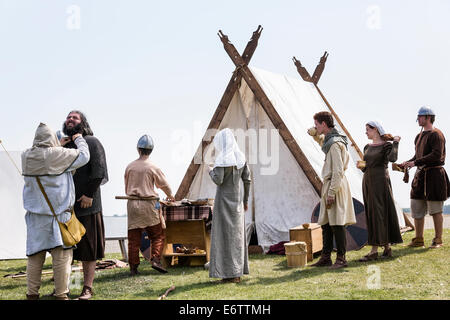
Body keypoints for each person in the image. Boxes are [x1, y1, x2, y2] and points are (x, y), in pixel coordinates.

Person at [22, 123, 90, 300]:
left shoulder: (26, 155)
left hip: (35, 217)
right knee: (62, 257)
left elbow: (47, 160)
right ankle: (61, 295)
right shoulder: (58, 155)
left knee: (35, 257)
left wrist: (57, 145)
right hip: (58, 216)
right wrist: (79, 139)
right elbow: (84, 156)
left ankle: (32, 295)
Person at [62, 110, 108, 300]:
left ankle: (87, 288)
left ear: (83, 123)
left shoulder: (91, 142)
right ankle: (67, 287)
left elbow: (99, 170)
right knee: (67, 250)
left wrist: (89, 194)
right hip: (67, 206)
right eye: (68, 117)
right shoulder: (65, 145)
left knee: (88, 250)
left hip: (88, 204)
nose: (70, 119)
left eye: (75, 117)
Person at [308, 111, 356, 269]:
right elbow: (322, 141)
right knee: (327, 223)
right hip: (331, 184)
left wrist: (331, 193)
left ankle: (341, 259)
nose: (315, 127)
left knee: (337, 223)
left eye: (317, 124)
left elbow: (338, 171)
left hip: (335, 185)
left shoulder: (335, 144)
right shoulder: (331, 140)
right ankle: (326, 257)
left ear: (324, 124)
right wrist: (315, 134)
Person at [124, 134, 175, 275]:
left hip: (133, 204)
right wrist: (171, 196)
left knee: (134, 239)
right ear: (151, 150)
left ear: (138, 149)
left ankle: (133, 268)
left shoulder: (130, 167)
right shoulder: (153, 167)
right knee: (157, 235)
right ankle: (155, 260)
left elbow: (126, 186)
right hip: (149, 205)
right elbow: (164, 185)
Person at [401, 106, 449, 249]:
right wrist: (409, 163)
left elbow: (436, 155)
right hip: (421, 176)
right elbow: (418, 156)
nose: (418, 119)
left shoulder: (437, 135)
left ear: (428, 117)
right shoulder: (419, 136)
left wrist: (415, 162)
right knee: (416, 207)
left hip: (434, 176)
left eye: (420, 117)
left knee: (435, 209)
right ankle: (418, 239)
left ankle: (438, 240)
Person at [208, 128, 251, 283]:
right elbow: (247, 180)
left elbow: (218, 180)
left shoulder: (221, 160)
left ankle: (226, 274)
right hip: (237, 201)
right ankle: (236, 273)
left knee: (222, 237)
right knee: (236, 237)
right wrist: (245, 200)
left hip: (222, 202)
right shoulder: (241, 158)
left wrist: (210, 171)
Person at [357, 121, 403, 262]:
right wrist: (362, 166)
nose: (366, 132)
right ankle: (387, 248)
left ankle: (374, 250)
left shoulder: (386, 145)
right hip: (368, 181)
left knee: (379, 212)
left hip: (380, 182)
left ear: (375, 130)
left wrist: (395, 143)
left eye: (368, 130)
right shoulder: (367, 147)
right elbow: (368, 165)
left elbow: (392, 158)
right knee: (372, 212)